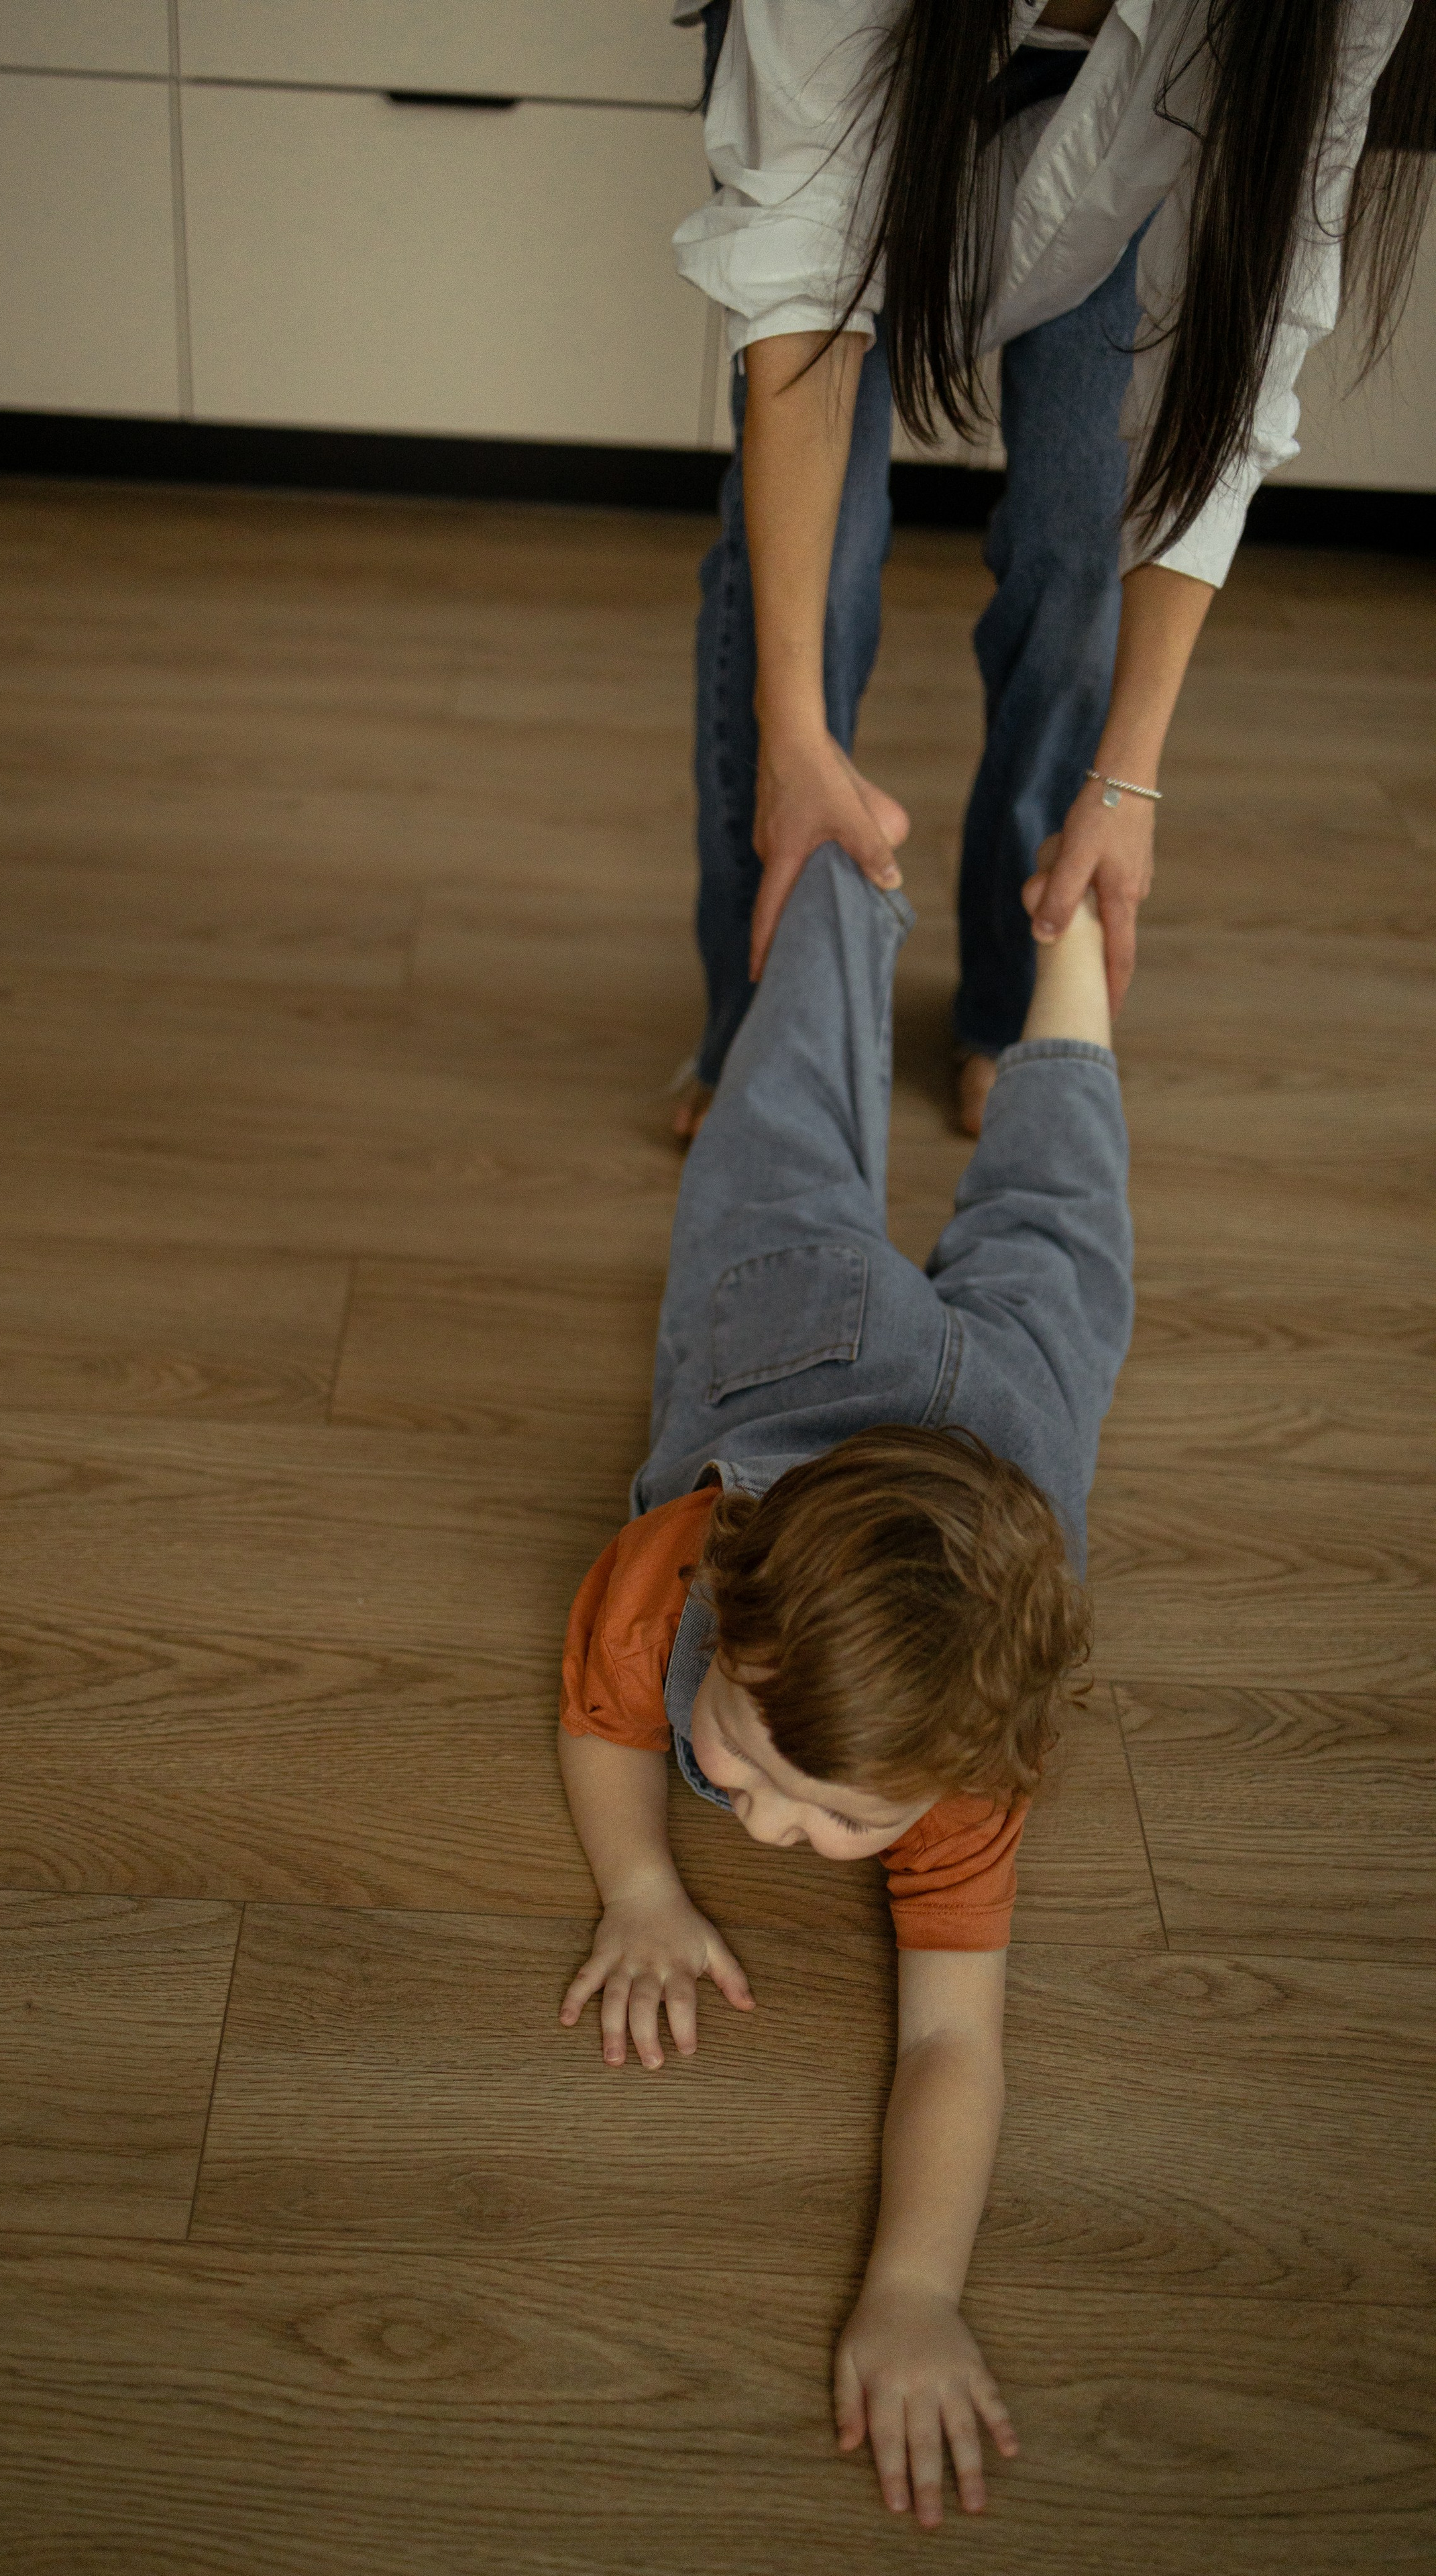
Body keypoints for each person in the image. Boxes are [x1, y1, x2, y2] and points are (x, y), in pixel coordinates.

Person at [557, 837, 1130, 2528]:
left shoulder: (964, 1762)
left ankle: (1072, 951)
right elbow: (598, 1713)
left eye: (833, 1815)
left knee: (1059, 1225)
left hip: (997, 1411)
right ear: (723, 1587)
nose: (772, 1827)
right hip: (790, 1336)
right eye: (742, 1753)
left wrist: (913, 2288)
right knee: (775, 1131)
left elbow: (955, 2041)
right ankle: (839, 878)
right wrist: (638, 1887)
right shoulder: (680, 1559)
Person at [671, 0, 1433, 1136]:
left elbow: (1244, 357)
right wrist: (791, 735)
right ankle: (761, 1022)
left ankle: (1006, 1010)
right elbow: (806, 286)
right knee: (811, 577)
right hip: (857, 104)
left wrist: (1126, 781)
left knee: (1079, 559)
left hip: (1122, 143)